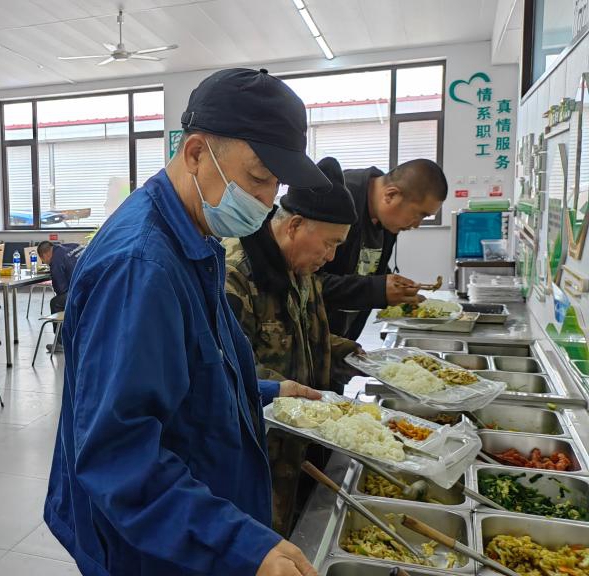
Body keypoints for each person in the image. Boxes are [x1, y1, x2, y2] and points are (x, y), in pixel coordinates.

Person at [44, 68, 328, 576]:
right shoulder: (141, 267)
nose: (267, 203)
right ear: (196, 152)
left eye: (276, 186)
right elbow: (118, 454)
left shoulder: (195, 238)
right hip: (151, 544)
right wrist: (241, 545)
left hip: (189, 519)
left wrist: (267, 391)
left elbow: (191, 370)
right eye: (258, 179)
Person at [224, 156, 361, 537]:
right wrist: (292, 394)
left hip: (298, 445)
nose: (331, 257)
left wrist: (354, 355)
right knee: (258, 542)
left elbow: (306, 339)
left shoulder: (301, 269)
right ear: (295, 225)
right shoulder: (236, 272)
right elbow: (226, 367)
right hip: (256, 455)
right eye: (330, 243)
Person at [319, 159, 448, 340]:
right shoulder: (338, 199)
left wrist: (396, 289)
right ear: (391, 195)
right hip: (308, 338)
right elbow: (307, 283)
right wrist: (377, 289)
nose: (417, 225)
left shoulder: (386, 220)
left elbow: (368, 265)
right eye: (419, 214)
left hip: (342, 337)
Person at [36, 240, 85, 348]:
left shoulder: (55, 260)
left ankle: (61, 342)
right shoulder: (72, 245)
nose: (45, 263)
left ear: (45, 255)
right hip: (97, 285)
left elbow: (61, 290)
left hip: (84, 291)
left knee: (56, 302)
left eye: (43, 260)